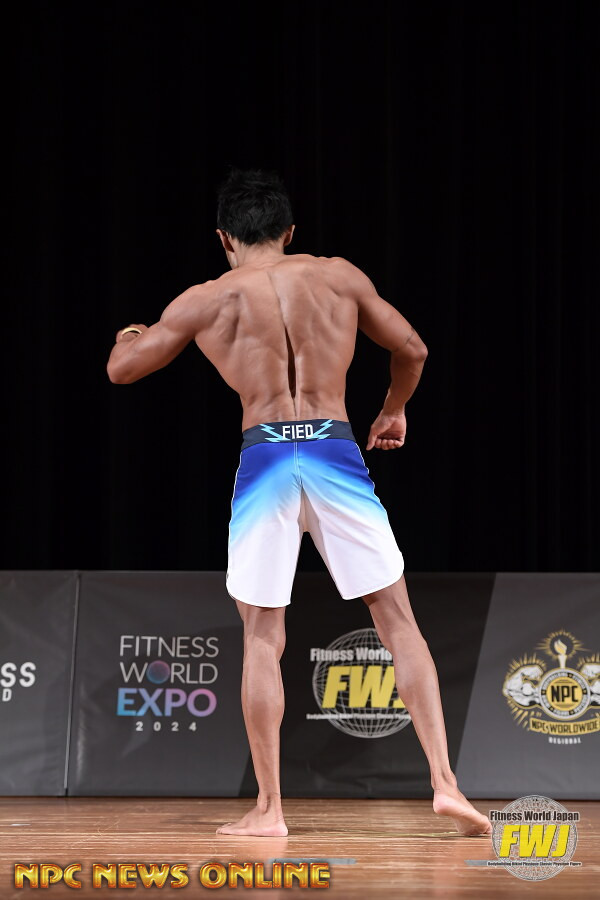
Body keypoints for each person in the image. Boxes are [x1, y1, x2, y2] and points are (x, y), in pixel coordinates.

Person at [107, 169, 491, 839]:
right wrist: (393, 410)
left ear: (224, 238)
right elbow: (413, 348)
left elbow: (124, 369)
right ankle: (445, 783)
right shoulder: (338, 276)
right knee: (396, 619)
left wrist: (126, 334)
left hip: (266, 460)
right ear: (289, 231)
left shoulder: (207, 298)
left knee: (263, 636)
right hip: (334, 452)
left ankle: (270, 810)